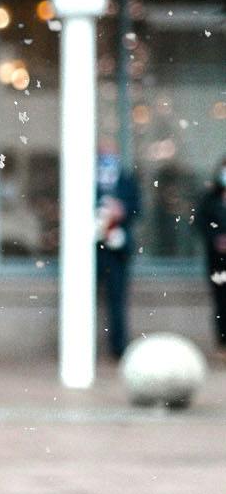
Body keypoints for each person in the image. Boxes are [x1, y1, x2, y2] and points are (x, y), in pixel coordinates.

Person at [96, 143, 142, 358]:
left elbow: (137, 208)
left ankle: (119, 347)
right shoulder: (86, 177)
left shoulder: (126, 181)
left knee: (117, 299)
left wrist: (122, 210)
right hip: (94, 249)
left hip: (118, 249)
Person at [197, 155, 226, 355]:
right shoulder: (210, 198)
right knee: (221, 299)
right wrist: (216, 238)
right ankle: (222, 340)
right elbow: (201, 222)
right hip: (218, 261)